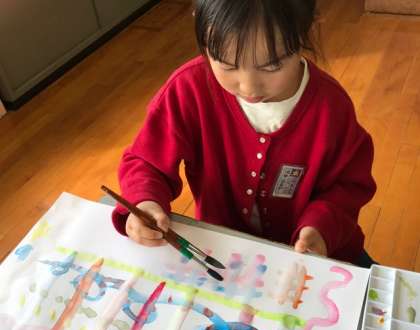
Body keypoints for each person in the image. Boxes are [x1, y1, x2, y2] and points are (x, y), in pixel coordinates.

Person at [112, 0, 377, 266]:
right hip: (227, 255)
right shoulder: (188, 89)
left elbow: (348, 185)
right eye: (227, 65)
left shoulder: (331, 106)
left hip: (316, 256)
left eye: (272, 66)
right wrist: (145, 201)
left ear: (305, 29)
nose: (249, 87)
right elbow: (146, 161)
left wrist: (320, 227)